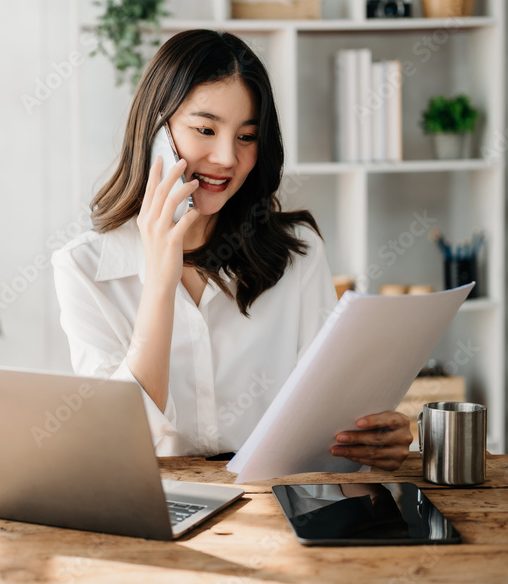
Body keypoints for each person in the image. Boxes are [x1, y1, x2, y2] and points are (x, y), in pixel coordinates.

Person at [51, 30, 412, 471]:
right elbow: (116, 443)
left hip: (274, 505)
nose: (226, 158)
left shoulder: (297, 254)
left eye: (246, 136)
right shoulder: (84, 268)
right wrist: (160, 283)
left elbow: (324, 421)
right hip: (158, 511)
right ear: (155, 134)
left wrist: (371, 438)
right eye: (205, 129)